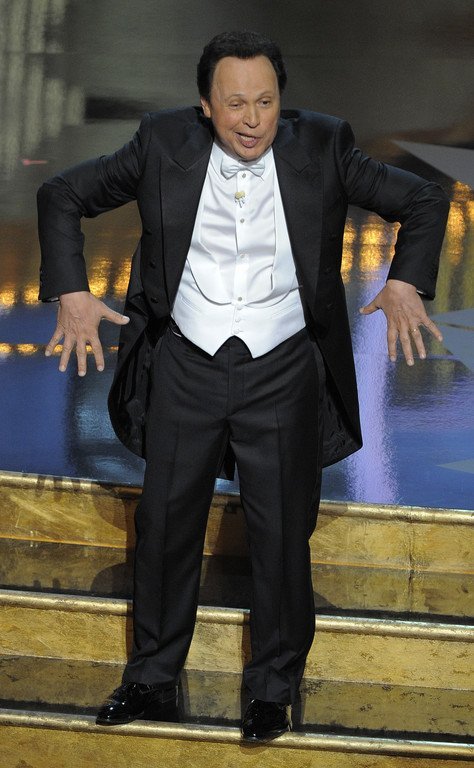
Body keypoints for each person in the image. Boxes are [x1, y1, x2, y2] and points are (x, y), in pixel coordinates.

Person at [37, 30, 449, 741]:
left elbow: (423, 197)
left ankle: (272, 690)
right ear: (206, 105)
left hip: (281, 366)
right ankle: (152, 679)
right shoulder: (161, 142)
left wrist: (406, 279)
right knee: (165, 526)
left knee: (281, 533)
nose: (252, 119)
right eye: (235, 104)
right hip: (185, 363)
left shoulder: (323, 145)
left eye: (266, 102)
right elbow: (61, 194)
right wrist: (72, 292)